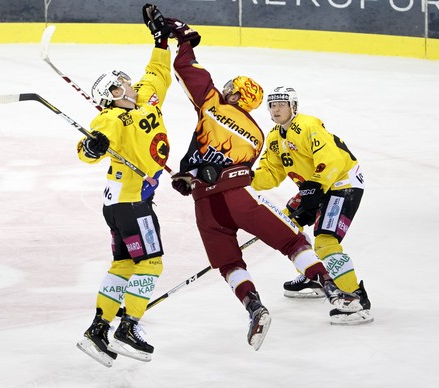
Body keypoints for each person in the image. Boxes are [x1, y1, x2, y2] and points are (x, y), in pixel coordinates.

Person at [163, 15, 363, 350]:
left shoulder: (214, 105)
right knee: (293, 243)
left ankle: (254, 307)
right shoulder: (258, 135)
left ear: (234, 93)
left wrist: (183, 41)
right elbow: (245, 172)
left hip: (206, 207)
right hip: (238, 199)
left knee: (228, 264)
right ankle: (330, 287)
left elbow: (186, 70)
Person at [75, 4, 173, 367]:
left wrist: (161, 39)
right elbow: (90, 146)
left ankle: (98, 329)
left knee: (123, 264)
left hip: (119, 203)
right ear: (115, 91)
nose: (131, 80)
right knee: (151, 262)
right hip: (131, 201)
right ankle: (128, 326)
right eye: (123, 80)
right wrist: (92, 145)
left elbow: (158, 71)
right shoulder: (112, 115)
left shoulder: (145, 96)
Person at [251, 86, 373, 325]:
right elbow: (270, 174)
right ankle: (314, 276)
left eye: (281, 104)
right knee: (286, 227)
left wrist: (315, 187)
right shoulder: (275, 137)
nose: (276, 109)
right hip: (316, 186)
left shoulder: (308, 126)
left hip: (342, 183)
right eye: (272, 105)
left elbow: (332, 160)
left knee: (326, 240)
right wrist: (243, 177)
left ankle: (356, 299)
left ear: (293, 106)